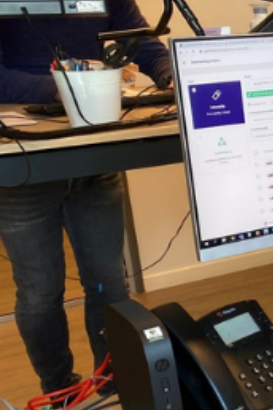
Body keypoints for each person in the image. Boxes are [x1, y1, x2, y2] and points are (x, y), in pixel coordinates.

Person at [0, 0, 173, 395]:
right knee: (40, 294)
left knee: (108, 283)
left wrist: (168, 75)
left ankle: (115, 384)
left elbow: (143, 43)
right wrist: (66, 88)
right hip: (24, 160)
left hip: (93, 154)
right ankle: (59, 390)